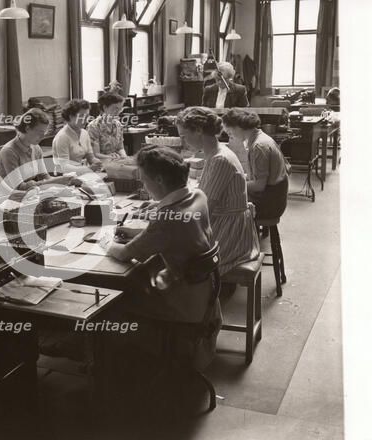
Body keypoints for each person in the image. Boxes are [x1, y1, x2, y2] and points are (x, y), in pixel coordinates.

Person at [100, 146, 221, 418]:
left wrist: (105, 239)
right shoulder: (198, 197)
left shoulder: (167, 219)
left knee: (111, 301)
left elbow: (125, 253)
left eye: (144, 179)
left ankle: (113, 369)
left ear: (160, 181)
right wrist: (136, 232)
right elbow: (166, 236)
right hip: (204, 295)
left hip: (181, 303)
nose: (143, 183)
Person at [176, 107, 259, 275]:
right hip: (226, 225)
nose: (182, 141)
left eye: (184, 136)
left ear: (199, 130)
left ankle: (200, 296)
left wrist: (167, 216)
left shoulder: (220, 159)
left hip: (229, 235)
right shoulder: (216, 153)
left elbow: (204, 211)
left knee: (171, 253)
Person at [222, 108, 289, 220]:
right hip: (273, 195)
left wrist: (232, 185)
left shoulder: (258, 146)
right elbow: (257, 177)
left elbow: (259, 185)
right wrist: (239, 178)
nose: (230, 137)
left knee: (224, 202)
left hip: (270, 203)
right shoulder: (260, 137)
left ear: (239, 127)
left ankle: (238, 236)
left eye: (229, 132)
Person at [0, 108, 75, 190]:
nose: (43, 136)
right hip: (11, 198)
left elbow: (44, 176)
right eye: (40, 132)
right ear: (27, 128)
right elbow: (20, 187)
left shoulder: (35, 147)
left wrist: (66, 180)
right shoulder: (9, 152)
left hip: (30, 194)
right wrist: (57, 181)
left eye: (44, 133)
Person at [52, 99, 102, 174]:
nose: (85, 120)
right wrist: (88, 169)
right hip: (63, 177)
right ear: (71, 116)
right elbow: (65, 167)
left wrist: (98, 163)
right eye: (81, 117)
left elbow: (90, 157)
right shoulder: (62, 137)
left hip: (81, 173)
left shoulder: (85, 133)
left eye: (87, 116)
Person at [87, 92, 128, 160]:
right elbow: (95, 154)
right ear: (105, 107)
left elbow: (120, 148)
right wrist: (112, 158)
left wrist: (124, 157)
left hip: (115, 162)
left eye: (120, 109)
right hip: (99, 165)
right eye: (115, 108)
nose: (118, 112)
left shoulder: (118, 125)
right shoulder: (93, 127)